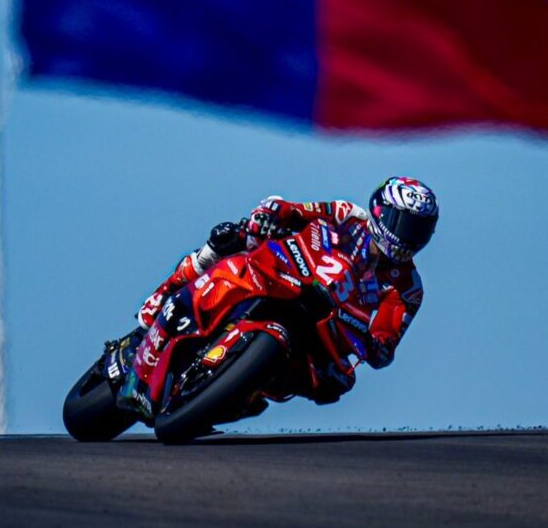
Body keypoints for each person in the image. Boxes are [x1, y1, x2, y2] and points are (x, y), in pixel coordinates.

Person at [113, 177, 437, 417]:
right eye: (404, 223)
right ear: (380, 211)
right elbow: (292, 210)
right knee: (227, 243)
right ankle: (157, 316)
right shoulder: (347, 216)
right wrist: (272, 215)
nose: (408, 234)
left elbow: (386, 342)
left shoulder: (408, 288)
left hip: (324, 335)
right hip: (282, 273)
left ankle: (236, 394)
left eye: (419, 229)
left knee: (331, 385)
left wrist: (377, 344)